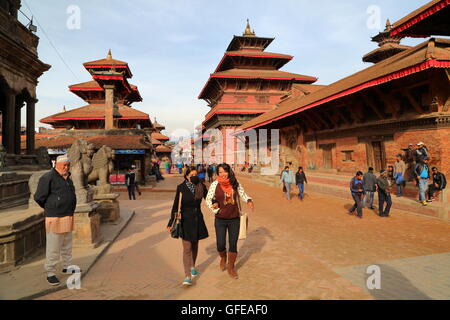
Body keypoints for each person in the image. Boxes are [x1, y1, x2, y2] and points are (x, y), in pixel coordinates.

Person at [34, 154, 77, 286]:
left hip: (68, 215)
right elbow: (39, 197)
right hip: (54, 216)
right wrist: (51, 206)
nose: (66, 167)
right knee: (54, 246)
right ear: (56, 165)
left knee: (66, 244)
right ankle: (50, 272)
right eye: (63, 165)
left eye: (68, 165)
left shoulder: (68, 178)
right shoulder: (48, 178)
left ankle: (67, 265)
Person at [205, 163, 254, 280]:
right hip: (220, 219)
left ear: (229, 172)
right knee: (220, 244)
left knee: (233, 244)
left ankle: (231, 267)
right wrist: (215, 208)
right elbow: (208, 198)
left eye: (225, 171)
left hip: (234, 218)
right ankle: (223, 257)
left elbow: (242, 193)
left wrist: (249, 200)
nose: (223, 174)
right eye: (220, 172)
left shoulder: (235, 183)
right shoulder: (214, 184)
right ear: (218, 173)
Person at [167, 167, 209, 286]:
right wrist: (171, 222)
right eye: (191, 175)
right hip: (185, 220)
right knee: (187, 248)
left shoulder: (201, 186)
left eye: (196, 174)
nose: (194, 176)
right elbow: (176, 206)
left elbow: (209, 198)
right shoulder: (181, 188)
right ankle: (187, 276)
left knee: (195, 245)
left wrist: (216, 202)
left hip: (197, 219)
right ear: (186, 176)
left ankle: (192, 266)